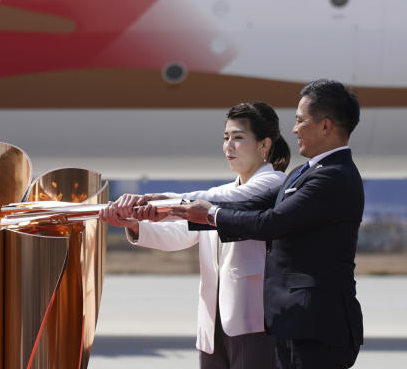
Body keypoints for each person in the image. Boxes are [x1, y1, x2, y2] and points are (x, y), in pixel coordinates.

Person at [163, 79, 364, 369]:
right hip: (292, 322)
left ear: (325, 126)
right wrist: (170, 206)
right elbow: (244, 204)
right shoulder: (304, 173)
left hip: (317, 325)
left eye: (300, 120)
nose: (294, 129)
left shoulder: (333, 176)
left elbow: (272, 223)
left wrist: (211, 215)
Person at [100, 102, 289, 369]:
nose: (228, 147)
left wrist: (162, 201)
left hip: (254, 322)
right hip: (214, 324)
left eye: (238, 138)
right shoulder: (219, 193)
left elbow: (223, 201)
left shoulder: (273, 184)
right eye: (226, 138)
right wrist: (133, 224)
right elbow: (179, 235)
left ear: (264, 145)